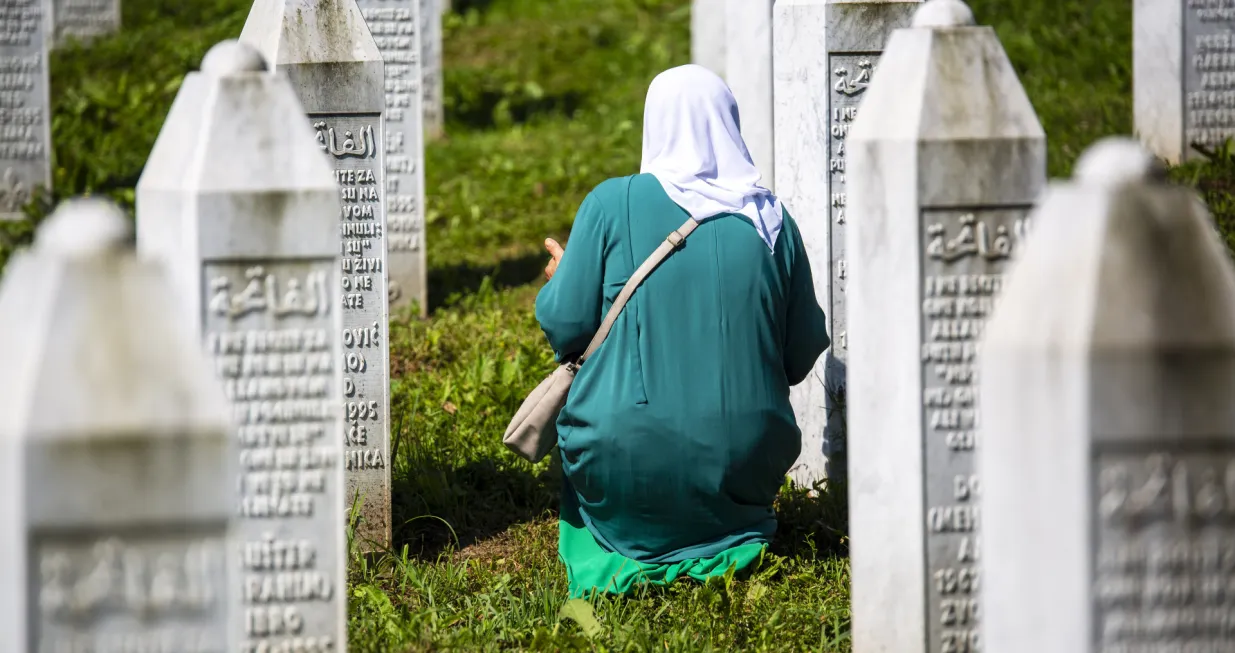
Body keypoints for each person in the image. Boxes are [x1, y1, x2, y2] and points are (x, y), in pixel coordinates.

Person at [534, 64, 830, 598]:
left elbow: (564, 325)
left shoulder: (610, 202)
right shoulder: (773, 222)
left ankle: (627, 543)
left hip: (625, 469)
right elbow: (800, 354)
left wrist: (564, 277)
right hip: (744, 472)